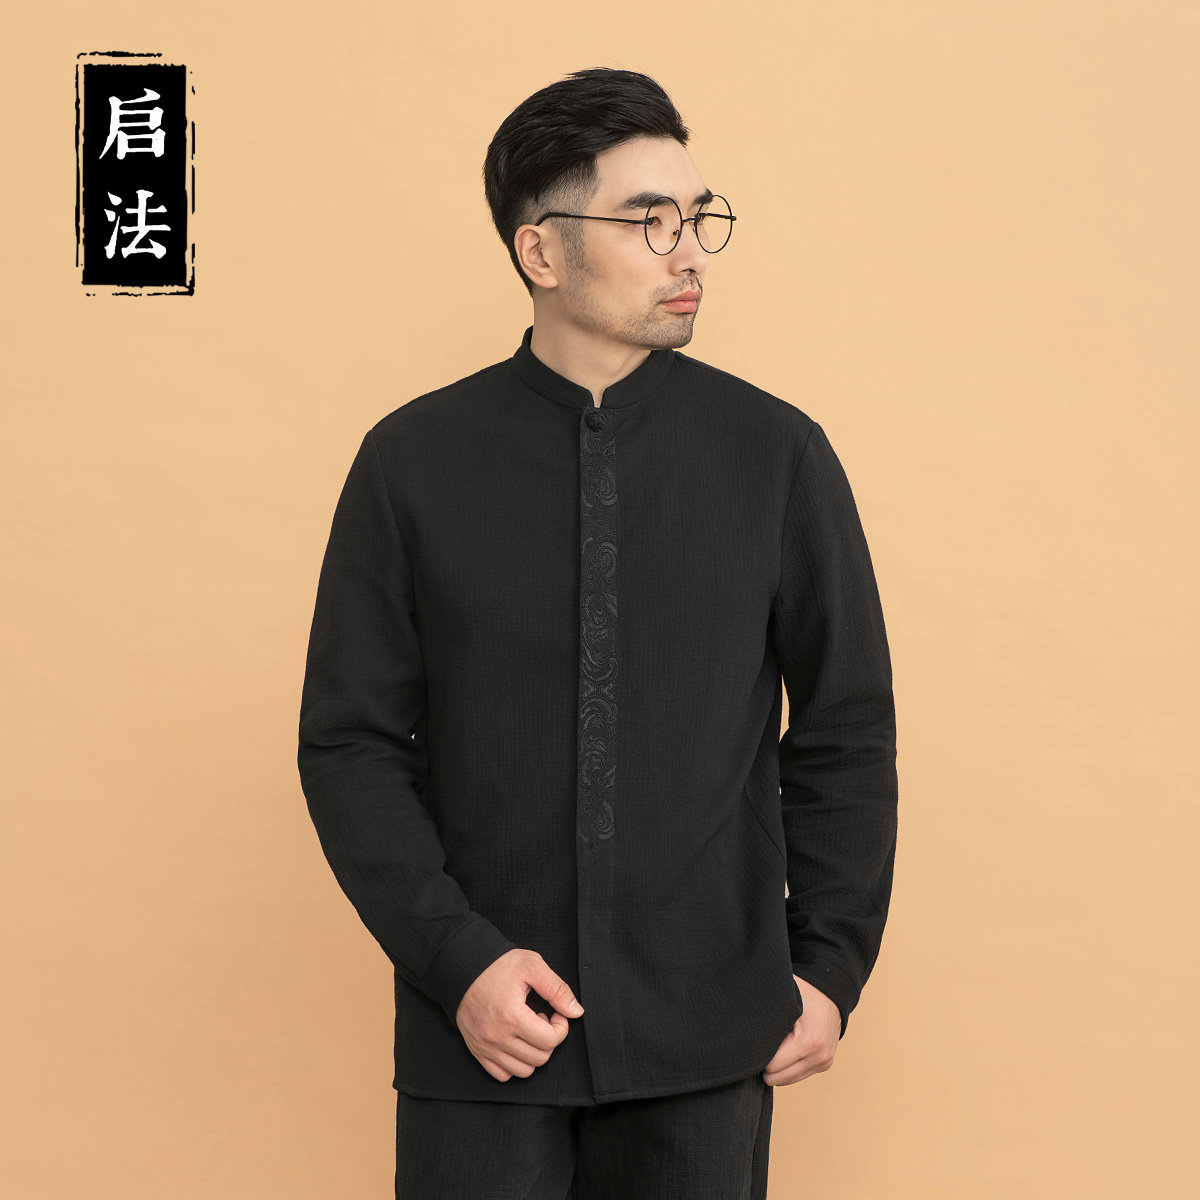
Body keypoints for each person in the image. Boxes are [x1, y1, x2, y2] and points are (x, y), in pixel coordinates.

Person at [297, 66, 898, 1200]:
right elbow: (350, 742)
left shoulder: (775, 455)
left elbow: (845, 730)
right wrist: (458, 961)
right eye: (647, 221)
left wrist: (828, 966)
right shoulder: (412, 462)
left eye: (699, 218)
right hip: (485, 1039)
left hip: (709, 1039)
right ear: (541, 251)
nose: (689, 253)